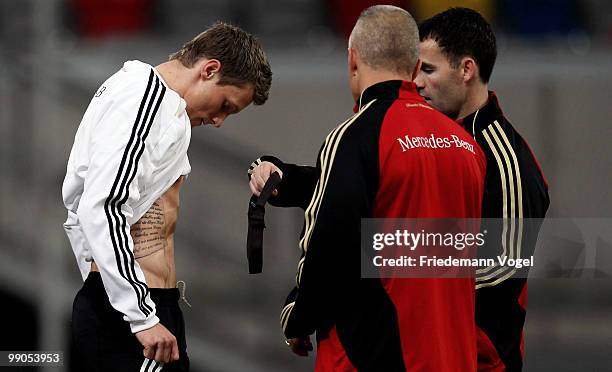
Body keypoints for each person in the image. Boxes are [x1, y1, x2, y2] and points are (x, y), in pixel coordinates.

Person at [248, 5, 485, 371]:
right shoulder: (464, 144)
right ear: (414, 66)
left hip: (376, 356)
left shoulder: (356, 136)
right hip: (454, 356)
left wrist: (299, 314)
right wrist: (292, 181)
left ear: (353, 60)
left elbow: (330, 241)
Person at [63, 22, 272, 371]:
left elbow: (80, 208)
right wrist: (138, 314)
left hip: (138, 305)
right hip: (135, 315)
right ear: (209, 70)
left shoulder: (160, 107)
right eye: (226, 105)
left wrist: (112, 292)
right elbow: (102, 206)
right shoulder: (143, 99)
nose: (220, 120)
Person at [415, 8, 550, 372]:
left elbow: (502, 273)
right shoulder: (431, 141)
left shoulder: (506, 160)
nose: (417, 83)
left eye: (428, 69)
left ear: (466, 70)